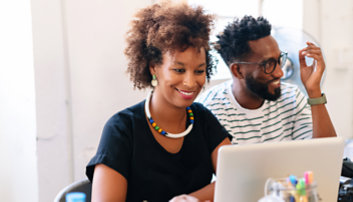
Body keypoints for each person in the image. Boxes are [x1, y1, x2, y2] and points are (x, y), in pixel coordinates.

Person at [85, 2, 231, 201]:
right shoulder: (122, 129)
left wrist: (187, 199)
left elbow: (233, 180)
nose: (190, 82)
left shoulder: (203, 119)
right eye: (179, 70)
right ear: (154, 67)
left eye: (199, 71)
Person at [197, 16, 336, 144]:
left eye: (279, 60)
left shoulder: (292, 97)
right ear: (238, 71)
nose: (280, 73)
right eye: (268, 64)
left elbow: (327, 153)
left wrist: (314, 92)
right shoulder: (211, 111)